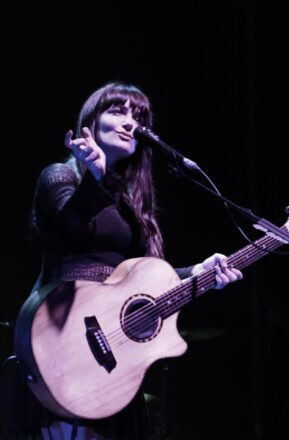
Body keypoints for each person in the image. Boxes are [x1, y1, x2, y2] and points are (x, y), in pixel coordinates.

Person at [4, 81, 243, 439]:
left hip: (115, 367)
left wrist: (197, 271)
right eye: (118, 111)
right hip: (63, 343)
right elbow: (73, 228)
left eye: (139, 116)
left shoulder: (134, 206)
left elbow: (138, 282)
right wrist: (96, 178)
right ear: (91, 121)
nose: (131, 122)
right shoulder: (59, 176)